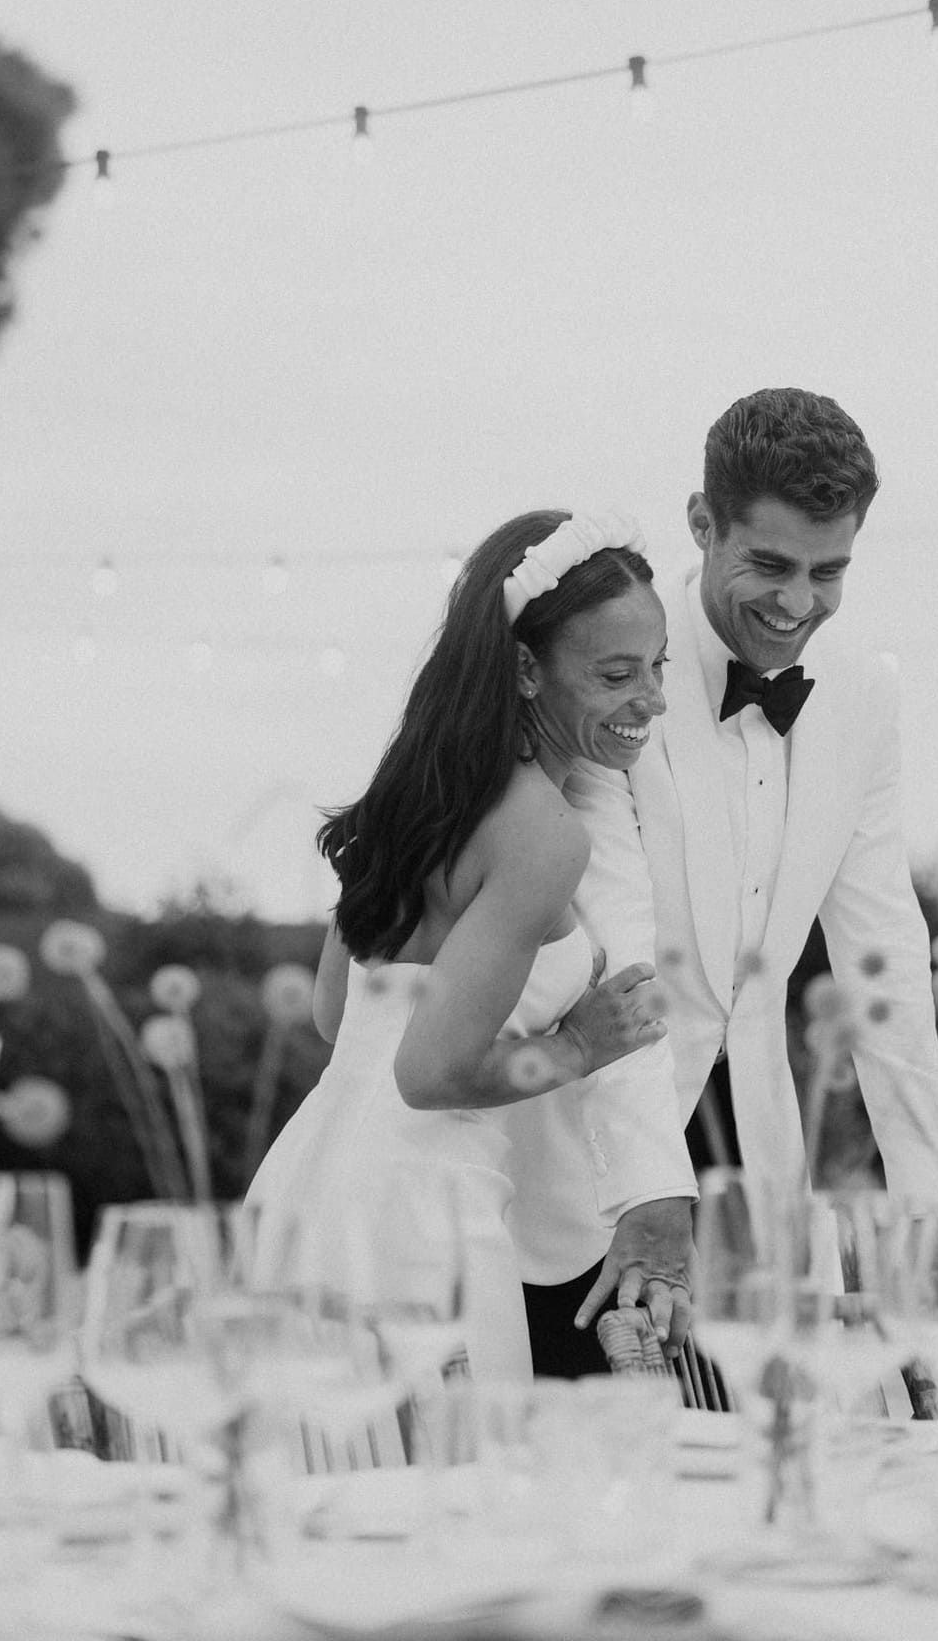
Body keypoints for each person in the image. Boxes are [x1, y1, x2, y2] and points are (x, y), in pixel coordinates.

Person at [500, 388, 938, 1377]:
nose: (797, 604)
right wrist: (648, 1197)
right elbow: (616, 943)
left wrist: (928, 1213)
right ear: (701, 524)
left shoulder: (862, 697)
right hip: (588, 1168)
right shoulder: (615, 656)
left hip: (758, 1178)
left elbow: (884, 960)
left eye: (827, 572)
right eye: (768, 565)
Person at [246, 508, 671, 1383]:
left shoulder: (413, 787)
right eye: (618, 673)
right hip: (421, 1223)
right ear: (525, 666)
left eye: (658, 667)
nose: (653, 699)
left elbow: (337, 1015)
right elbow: (430, 1075)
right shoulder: (544, 834)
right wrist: (578, 1046)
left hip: (304, 1185)